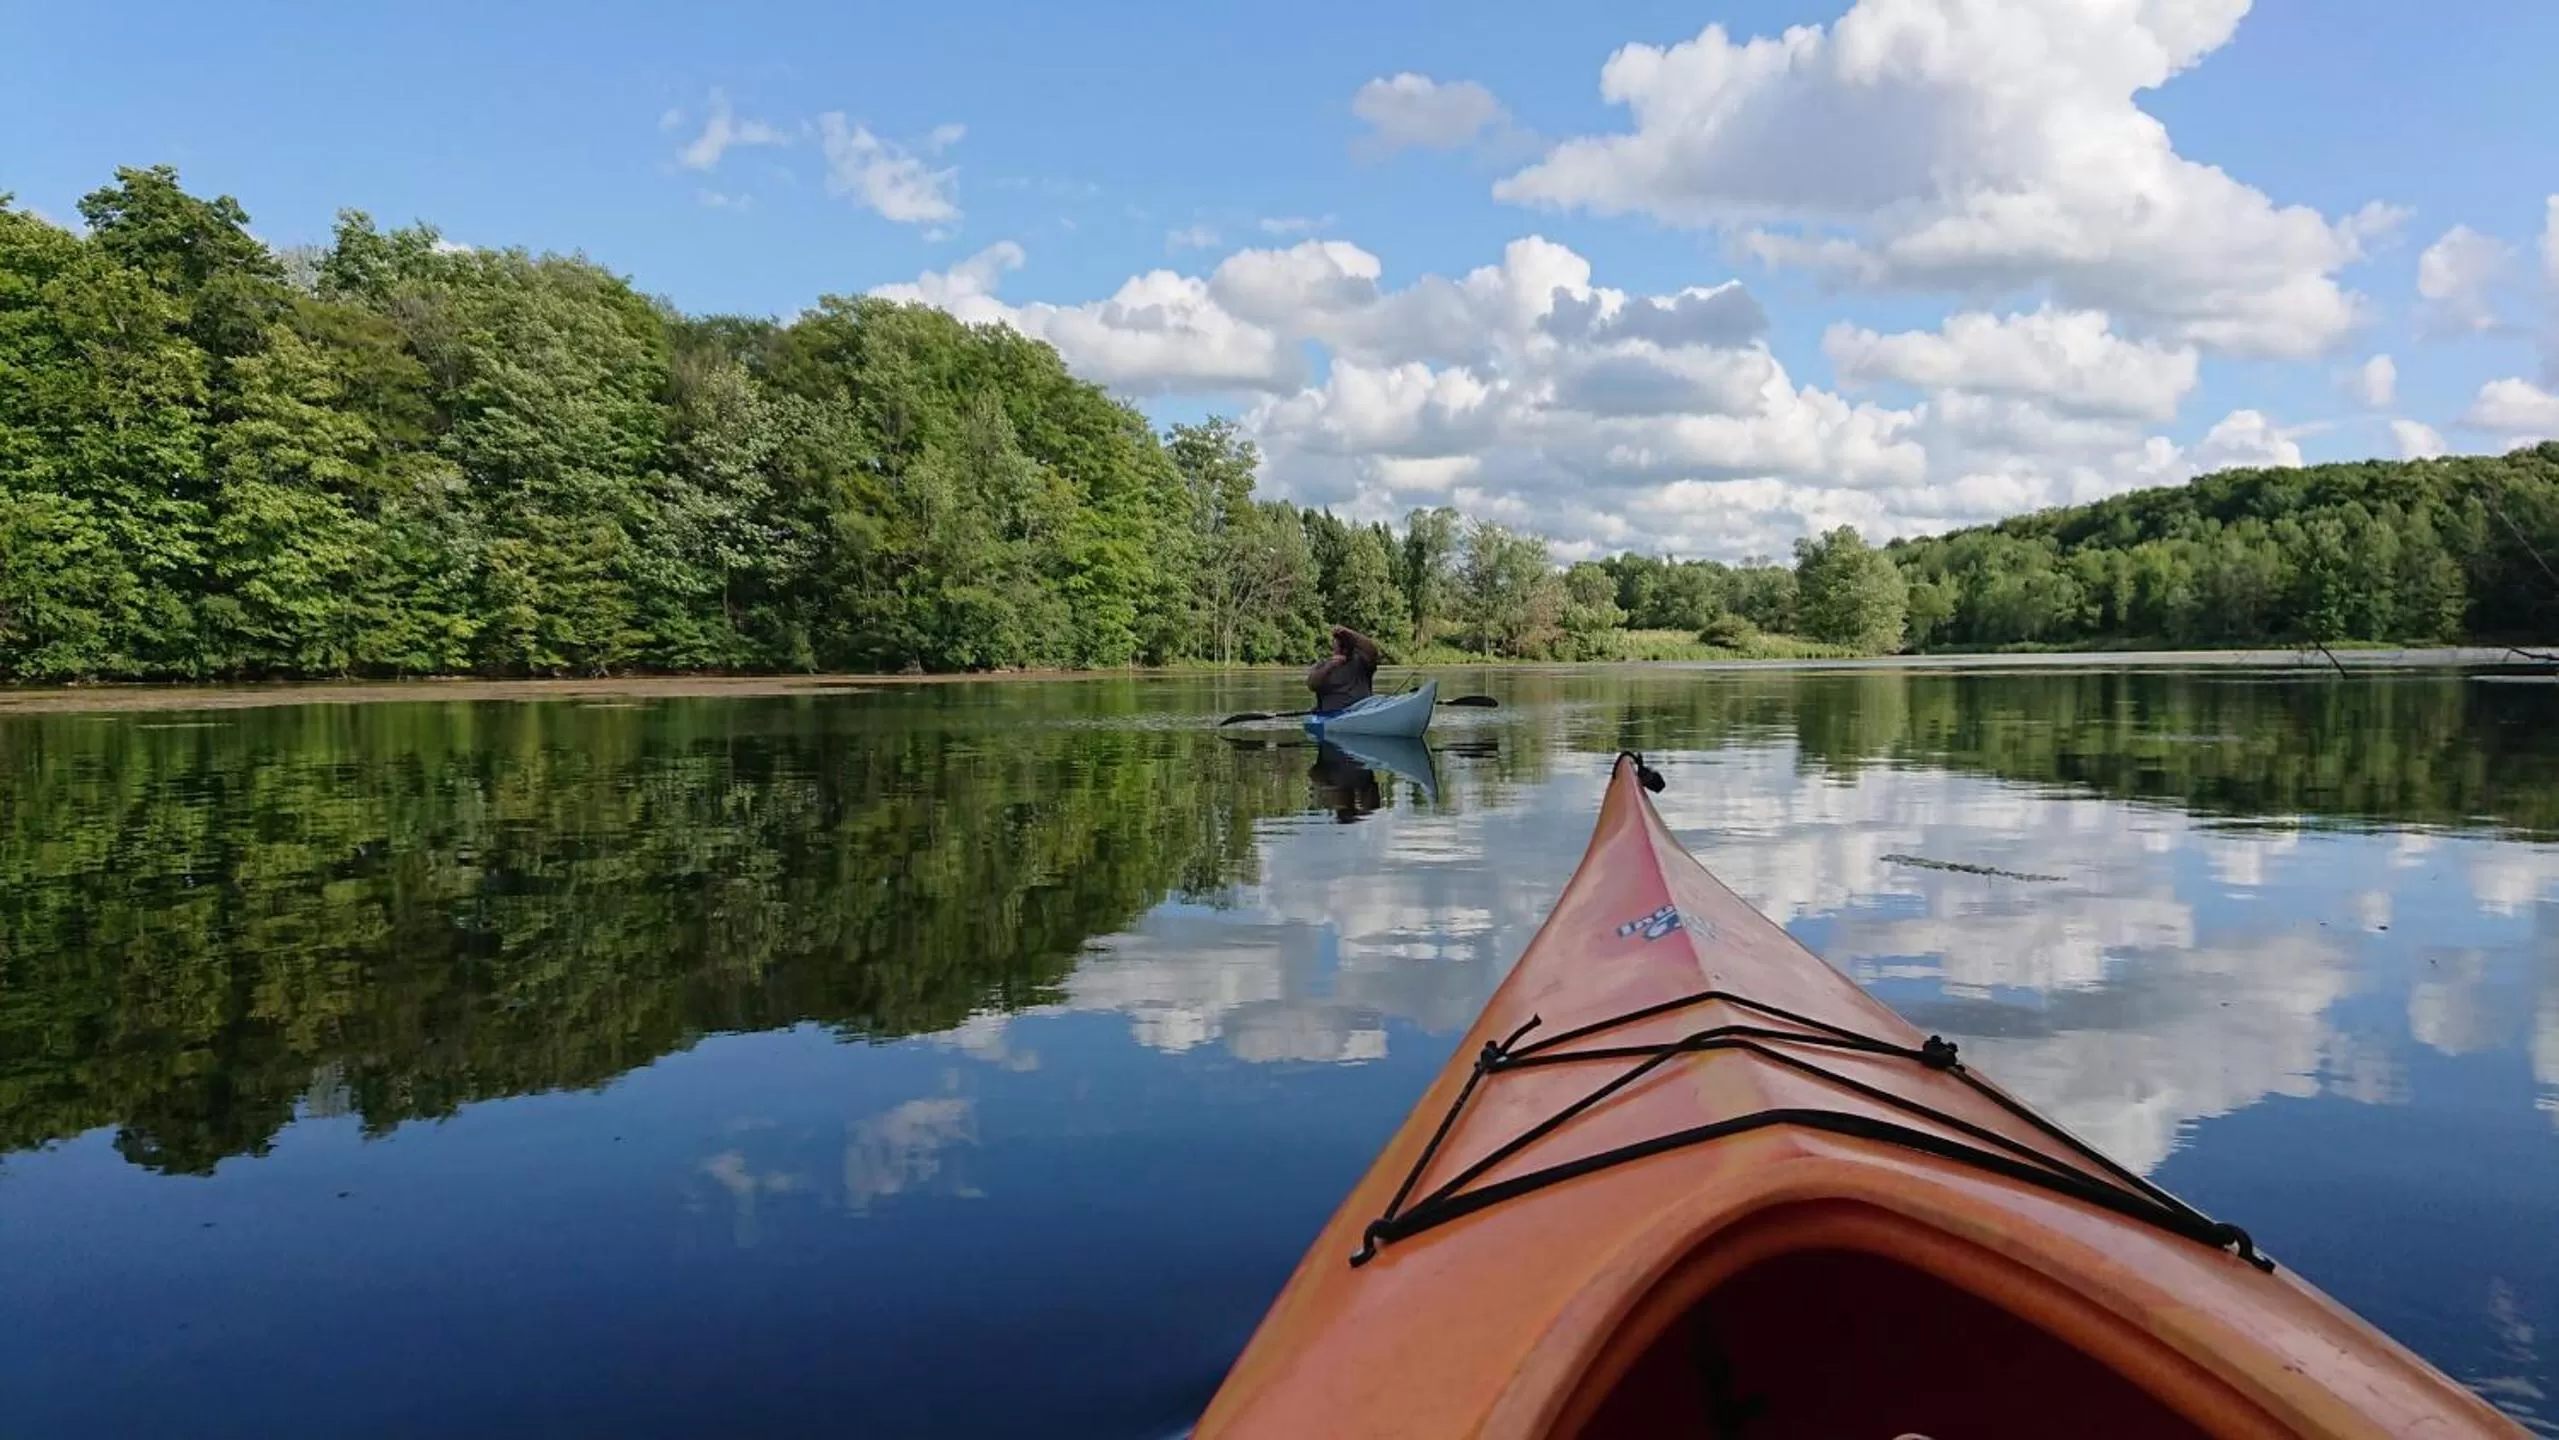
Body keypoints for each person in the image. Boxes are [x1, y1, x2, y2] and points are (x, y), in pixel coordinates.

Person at [1306, 626, 1381, 715]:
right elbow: (1312, 685)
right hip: (1333, 716)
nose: (1344, 648)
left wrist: (1350, 633)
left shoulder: (1362, 661)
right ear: (1333, 645)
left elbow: (1372, 650)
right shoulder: (1322, 665)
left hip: (1362, 711)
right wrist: (1329, 667)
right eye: (1340, 644)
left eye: (1346, 644)